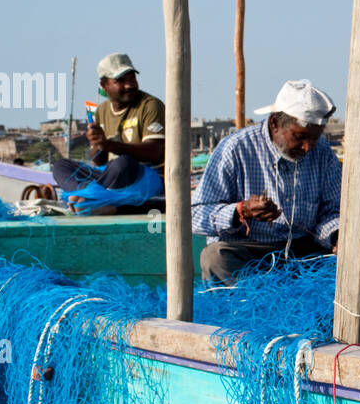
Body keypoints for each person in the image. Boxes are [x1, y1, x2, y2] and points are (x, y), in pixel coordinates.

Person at [191, 79, 341, 283]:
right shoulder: (235, 149)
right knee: (215, 257)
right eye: (299, 137)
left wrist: (337, 237)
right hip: (249, 250)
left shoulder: (322, 152)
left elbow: (331, 211)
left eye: (314, 138)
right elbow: (195, 215)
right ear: (274, 124)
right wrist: (240, 211)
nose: (307, 147)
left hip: (302, 251)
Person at [51, 53, 165, 214]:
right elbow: (99, 161)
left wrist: (109, 144)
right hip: (111, 178)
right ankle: (88, 195)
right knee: (60, 166)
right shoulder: (102, 110)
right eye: (121, 81)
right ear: (105, 86)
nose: (129, 85)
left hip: (142, 176)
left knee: (123, 163)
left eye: (132, 79)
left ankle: (90, 199)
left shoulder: (150, 105)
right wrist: (97, 144)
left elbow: (153, 152)